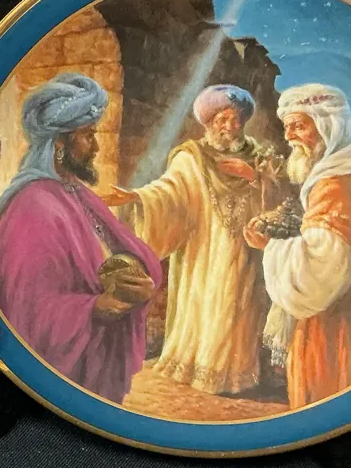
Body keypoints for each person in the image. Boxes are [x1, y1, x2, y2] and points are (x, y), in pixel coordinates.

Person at [0, 73, 161, 404]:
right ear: (59, 144)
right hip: (60, 379)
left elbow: (127, 250)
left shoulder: (78, 193)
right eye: (88, 135)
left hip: (95, 357)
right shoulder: (32, 206)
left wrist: (141, 283)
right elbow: (28, 309)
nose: (96, 146)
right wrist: (95, 308)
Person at [243, 84, 351, 409]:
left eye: (299, 126)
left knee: (333, 401)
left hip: (342, 324)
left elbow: (320, 271)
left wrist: (270, 247)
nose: (289, 136)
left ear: (328, 126)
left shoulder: (337, 185)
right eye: (287, 127)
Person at [103, 84, 285, 395]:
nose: (230, 126)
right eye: (222, 119)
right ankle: (201, 369)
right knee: (210, 302)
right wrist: (136, 196)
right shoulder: (193, 156)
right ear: (209, 122)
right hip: (204, 248)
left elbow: (282, 196)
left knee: (241, 307)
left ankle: (238, 376)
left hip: (247, 247)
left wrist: (254, 177)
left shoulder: (259, 156)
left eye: (236, 119)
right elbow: (170, 190)